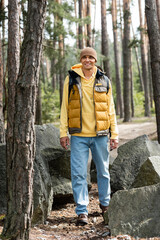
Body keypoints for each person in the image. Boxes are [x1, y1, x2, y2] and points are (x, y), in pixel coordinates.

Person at [60, 47, 118, 226]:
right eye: (84, 57)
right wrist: (63, 132)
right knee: (78, 174)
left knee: (103, 172)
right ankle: (82, 211)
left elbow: (111, 110)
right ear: (81, 60)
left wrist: (114, 134)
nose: (87, 60)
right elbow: (65, 108)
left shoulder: (104, 80)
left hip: (100, 135)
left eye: (90, 57)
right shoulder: (71, 79)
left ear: (95, 60)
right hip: (79, 136)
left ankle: (105, 205)